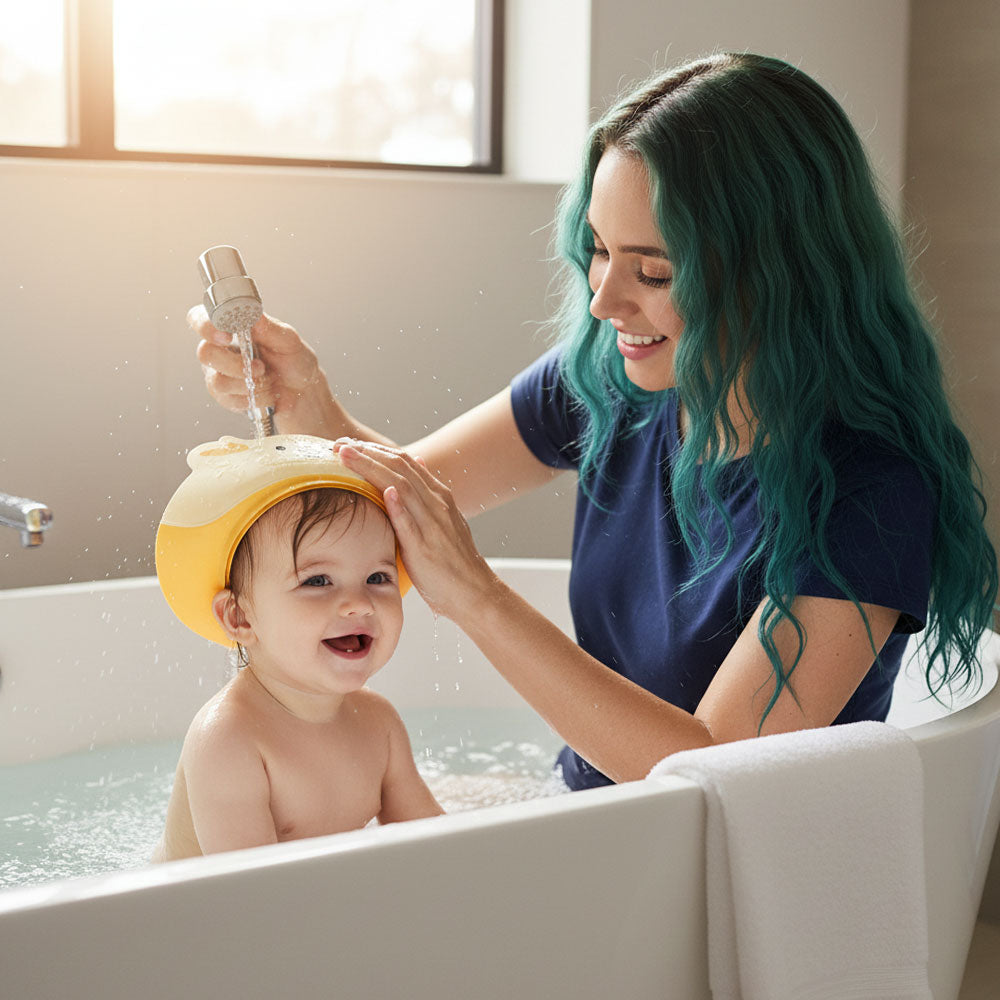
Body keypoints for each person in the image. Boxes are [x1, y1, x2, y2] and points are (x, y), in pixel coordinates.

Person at [188, 52, 998, 791]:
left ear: (782, 274)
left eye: (653, 269)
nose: (605, 302)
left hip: (733, 872)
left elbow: (714, 770)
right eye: (600, 251)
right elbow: (399, 511)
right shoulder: (610, 385)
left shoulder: (871, 492)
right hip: (595, 831)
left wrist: (477, 595)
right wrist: (307, 399)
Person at [153, 481, 443, 861]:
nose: (359, 604)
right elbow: (254, 898)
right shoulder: (229, 739)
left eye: (377, 578)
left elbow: (438, 847)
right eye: (317, 581)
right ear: (240, 617)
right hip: (190, 914)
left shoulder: (379, 723)